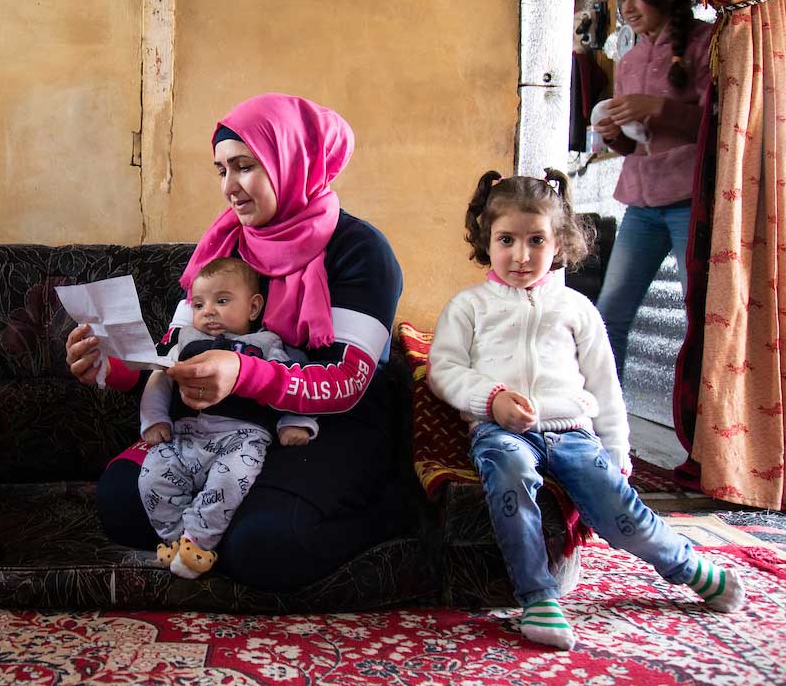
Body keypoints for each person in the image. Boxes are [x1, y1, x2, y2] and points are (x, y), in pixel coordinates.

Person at [67, 93, 407, 591]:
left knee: (263, 548)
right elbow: (177, 350)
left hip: (329, 426)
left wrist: (242, 372)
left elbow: (346, 383)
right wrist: (111, 365)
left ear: (292, 161)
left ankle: (393, 509)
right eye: (221, 170)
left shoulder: (360, 249)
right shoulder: (225, 242)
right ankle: (231, 519)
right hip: (228, 426)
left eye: (244, 167)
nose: (229, 187)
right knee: (121, 502)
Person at [427, 170, 744, 651]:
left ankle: (686, 564)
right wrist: (490, 400)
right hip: (502, 432)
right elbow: (443, 369)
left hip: (574, 432)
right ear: (485, 240)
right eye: (506, 239)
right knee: (510, 474)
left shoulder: (577, 308)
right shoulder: (469, 307)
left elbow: (605, 383)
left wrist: (617, 449)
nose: (521, 254)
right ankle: (538, 595)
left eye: (536, 240)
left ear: (560, 242)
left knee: (619, 509)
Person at [138, 257, 318, 579]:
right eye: (198, 304)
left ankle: (199, 543)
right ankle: (178, 541)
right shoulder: (185, 341)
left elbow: (290, 381)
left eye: (222, 301)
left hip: (242, 437)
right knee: (151, 476)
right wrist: (154, 419)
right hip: (186, 435)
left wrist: (292, 422)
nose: (208, 311)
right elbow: (159, 378)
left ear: (253, 307)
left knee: (229, 480)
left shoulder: (265, 344)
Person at [593, 0, 712, 379]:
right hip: (641, 206)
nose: (626, 8)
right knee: (608, 316)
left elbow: (724, 125)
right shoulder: (628, 60)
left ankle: (704, 425)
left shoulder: (707, 45)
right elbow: (634, 146)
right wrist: (614, 136)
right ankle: (604, 424)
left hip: (689, 201)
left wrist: (660, 108)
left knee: (701, 315)